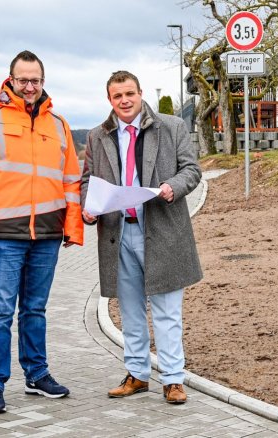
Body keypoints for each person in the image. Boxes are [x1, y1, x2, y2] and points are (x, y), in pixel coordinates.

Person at [0, 50, 84, 413]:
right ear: (10, 79)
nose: (29, 86)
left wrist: (72, 227)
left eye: (36, 80)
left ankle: (37, 375)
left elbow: (72, 181)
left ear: (44, 82)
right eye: (23, 80)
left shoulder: (58, 124)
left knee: (35, 310)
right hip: (1, 236)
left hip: (45, 235)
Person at [80, 70, 202, 404]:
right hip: (118, 236)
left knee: (167, 311)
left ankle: (174, 379)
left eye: (129, 93)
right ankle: (137, 374)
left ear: (140, 93)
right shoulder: (97, 136)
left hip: (162, 231)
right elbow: (87, 181)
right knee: (130, 311)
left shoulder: (171, 126)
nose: (125, 101)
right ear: (110, 100)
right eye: (117, 96)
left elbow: (191, 171)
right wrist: (87, 206)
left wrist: (171, 187)